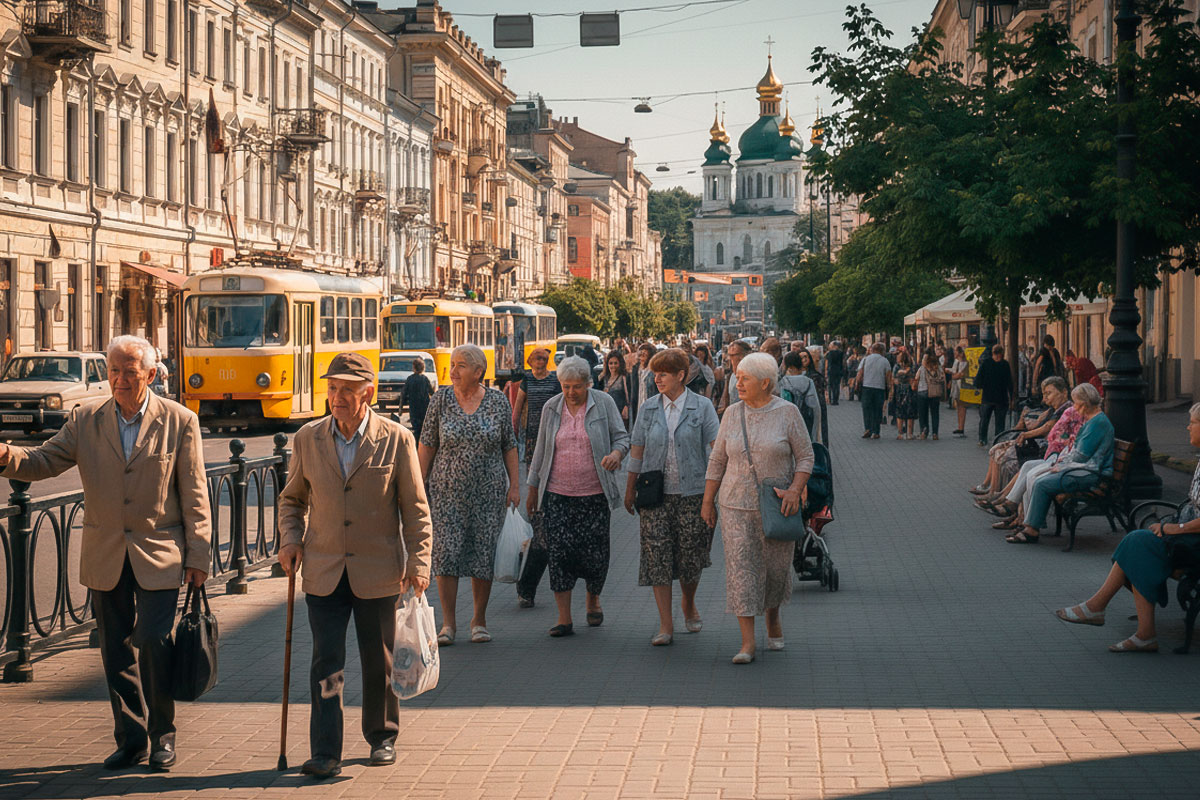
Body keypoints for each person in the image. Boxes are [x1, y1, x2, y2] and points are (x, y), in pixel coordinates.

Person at [0, 335, 211, 772]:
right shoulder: (87, 418)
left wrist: (199, 557)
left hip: (161, 554)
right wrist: (5, 455)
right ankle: (130, 739)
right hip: (106, 553)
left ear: (150, 375)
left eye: (128, 372)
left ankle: (162, 737)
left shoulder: (179, 420)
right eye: (113, 371)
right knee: (115, 652)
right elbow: (44, 461)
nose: (118, 380)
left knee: (153, 641)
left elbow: (194, 493)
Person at [277, 353, 433, 780]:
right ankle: (325, 749)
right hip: (325, 569)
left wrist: (419, 563)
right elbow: (292, 499)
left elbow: (415, 509)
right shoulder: (309, 438)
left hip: (378, 569)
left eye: (347, 389)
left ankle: (382, 736)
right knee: (328, 664)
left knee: (378, 659)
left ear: (367, 392)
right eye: (332, 388)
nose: (337, 397)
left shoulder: (396, 438)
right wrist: (290, 540)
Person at [1053, 403, 1200, 652]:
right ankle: (1125, 624)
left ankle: (1106, 612)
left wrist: (1177, 528)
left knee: (1137, 544)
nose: (1187, 426)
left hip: (1192, 541)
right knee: (1138, 545)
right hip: (1187, 536)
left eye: (1193, 422)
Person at [702, 353, 813, 664]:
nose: (738, 383)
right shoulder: (731, 414)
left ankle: (773, 617)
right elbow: (717, 461)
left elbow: (805, 457)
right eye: (737, 377)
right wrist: (707, 502)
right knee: (742, 572)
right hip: (735, 504)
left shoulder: (788, 413)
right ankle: (747, 642)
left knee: (776, 571)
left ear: (766, 383)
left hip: (778, 505)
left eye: (744, 378)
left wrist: (795, 489)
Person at [418, 344, 519, 645]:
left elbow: (509, 445)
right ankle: (448, 623)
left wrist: (515, 485)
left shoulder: (498, 401)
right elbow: (427, 443)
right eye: (452, 364)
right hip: (446, 493)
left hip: (488, 493)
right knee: (445, 554)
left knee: (482, 554)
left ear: (478, 372)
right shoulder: (441, 400)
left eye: (460, 365)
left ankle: (479, 619)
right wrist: (417, 484)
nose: (453, 370)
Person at [526, 357, 629, 637]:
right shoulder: (552, 407)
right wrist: (532, 488)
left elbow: (622, 438)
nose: (571, 392)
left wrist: (616, 455)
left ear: (588, 383)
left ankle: (593, 599)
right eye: (565, 386)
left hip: (594, 494)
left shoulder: (603, 403)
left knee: (596, 556)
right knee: (559, 555)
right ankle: (564, 618)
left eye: (577, 387)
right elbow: (541, 450)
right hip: (557, 494)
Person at [624, 348, 720, 646]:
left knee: (692, 556)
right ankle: (666, 624)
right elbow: (637, 450)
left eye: (664, 373)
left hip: (693, 493)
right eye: (655, 373)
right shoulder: (649, 408)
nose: (658, 378)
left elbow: (716, 452)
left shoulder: (702, 407)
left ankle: (688, 601)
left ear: (682, 375)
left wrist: (714, 494)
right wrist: (630, 489)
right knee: (658, 556)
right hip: (655, 495)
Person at [1007, 383, 1114, 544]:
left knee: (1042, 483)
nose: (1075, 407)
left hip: (1089, 473)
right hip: (1081, 469)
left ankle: (1032, 529)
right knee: (1036, 474)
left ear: (1084, 403)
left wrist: (1060, 464)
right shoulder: (1093, 420)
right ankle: (1027, 521)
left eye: (1076, 403)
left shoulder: (1097, 423)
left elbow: (1081, 456)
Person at [511, 348, 562, 608]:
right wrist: (514, 428)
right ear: (531, 362)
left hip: (553, 437)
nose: (541, 362)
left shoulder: (555, 382)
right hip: (533, 437)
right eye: (537, 359)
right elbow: (518, 406)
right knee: (535, 474)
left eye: (544, 358)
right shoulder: (526, 381)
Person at [779, 351, 822, 444]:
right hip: (806, 421)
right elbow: (815, 406)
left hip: (788, 424)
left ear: (788, 366)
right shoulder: (809, 381)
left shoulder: (783, 382)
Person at [975, 344, 1013, 447]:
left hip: (987, 397)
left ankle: (982, 439)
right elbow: (1009, 382)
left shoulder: (986, 363)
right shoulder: (1005, 364)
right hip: (1001, 398)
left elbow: (978, 380)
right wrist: (1012, 396)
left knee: (984, 419)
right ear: (1001, 354)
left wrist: (981, 387)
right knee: (999, 422)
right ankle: (998, 440)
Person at [855, 342, 893, 439]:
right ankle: (876, 431)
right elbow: (888, 376)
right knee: (877, 409)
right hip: (879, 388)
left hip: (867, 387)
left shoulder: (865, 359)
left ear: (872, 350)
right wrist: (890, 388)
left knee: (866, 408)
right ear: (882, 351)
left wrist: (856, 385)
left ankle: (867, 428)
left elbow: (860, 373)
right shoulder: (885, 361)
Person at [799, 349, 829, 445]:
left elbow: (819, 397)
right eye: (801, 358)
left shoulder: (815, 375)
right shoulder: (794, 375)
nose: (803, 359)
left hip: (813, 411)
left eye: (805, 357)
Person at [717, 340, 752, 418]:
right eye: (729, 354)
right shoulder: (731, 376)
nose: (728, 358)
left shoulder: (752, 377)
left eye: (733, 355)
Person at [402, 357, 433, 443]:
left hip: (414, 407)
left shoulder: (410, 379)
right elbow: (431, 392)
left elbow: (404, 393)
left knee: (416, 428)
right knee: (423, 428)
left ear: (414, 368)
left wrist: (401, 407)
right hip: (425, 408)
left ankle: (416, 445)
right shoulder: (425, 379)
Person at [915, 352, 945, 440]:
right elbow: (943, 378)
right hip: (935, 392)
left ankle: (924, 431)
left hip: (922, 392)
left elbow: (916, 378)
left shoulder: (922, 369)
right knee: (935, 413)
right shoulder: (938, 368)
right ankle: (935, 433)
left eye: (923, 359)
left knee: (923, 413)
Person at [600, 349, 632, 428]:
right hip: (606, 415)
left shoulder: (624, 377)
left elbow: (630, 395)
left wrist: (626, 406)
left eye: (615, 363)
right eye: (610, 363)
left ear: (620, 364)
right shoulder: (605, 378)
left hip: (620, 415)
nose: (613, 366)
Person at [629, 342, 658, 426]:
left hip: (651, 406)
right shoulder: (636, 369)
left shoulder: (654, 371)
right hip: (638, 405)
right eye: (640, 355)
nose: (641, 358)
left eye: (644, 355)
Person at [1031, 335, 1064, 403]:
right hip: (1048, 378)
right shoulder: (1045, 351)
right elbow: (1037, 367)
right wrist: (1034, 385)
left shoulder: (1048, 351)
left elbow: (1037, 366)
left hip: (1050, 378)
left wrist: (1034, 385)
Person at [950, 346, 969, 436]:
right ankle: (960, 426)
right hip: (956, 386)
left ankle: (961, 427)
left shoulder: (965, 363)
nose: (954, 353)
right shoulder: (956, 361)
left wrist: (953, 376)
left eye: (956, 352)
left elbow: (960, 374)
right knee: (959, 407)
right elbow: (954, 372)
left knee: (962, 406)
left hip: (962, 386)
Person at [825, 341, 844, 405]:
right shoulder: (841, 353)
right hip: (838, 370)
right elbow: (842, 363)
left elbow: (828, 363)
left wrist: (826, 371)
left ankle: (831, 399)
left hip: (831, 370)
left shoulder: (830, 353)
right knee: (837, 385)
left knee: (831, 385)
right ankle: (836, 400)